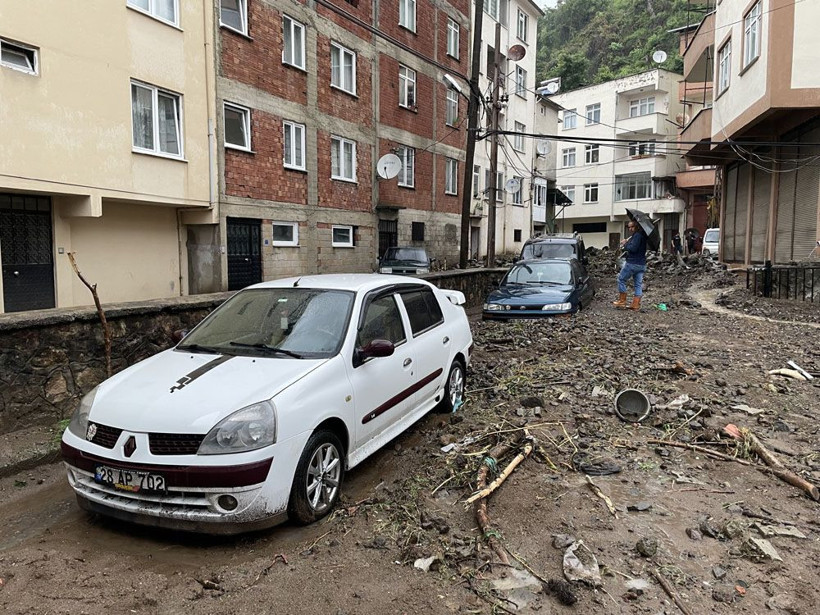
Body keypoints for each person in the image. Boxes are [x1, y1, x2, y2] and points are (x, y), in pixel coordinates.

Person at [613, 220, 647, 311]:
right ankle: (635, 304)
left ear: (636, 227)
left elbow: (633, 248)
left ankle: (622, 301)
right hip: (641, 264)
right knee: (638, 284)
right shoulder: (642, 236)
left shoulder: (637, 236)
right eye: (629, 227)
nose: (630, 229)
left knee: (621, 279)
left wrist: (625, 244)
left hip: (632, 263)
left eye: (632, 227)